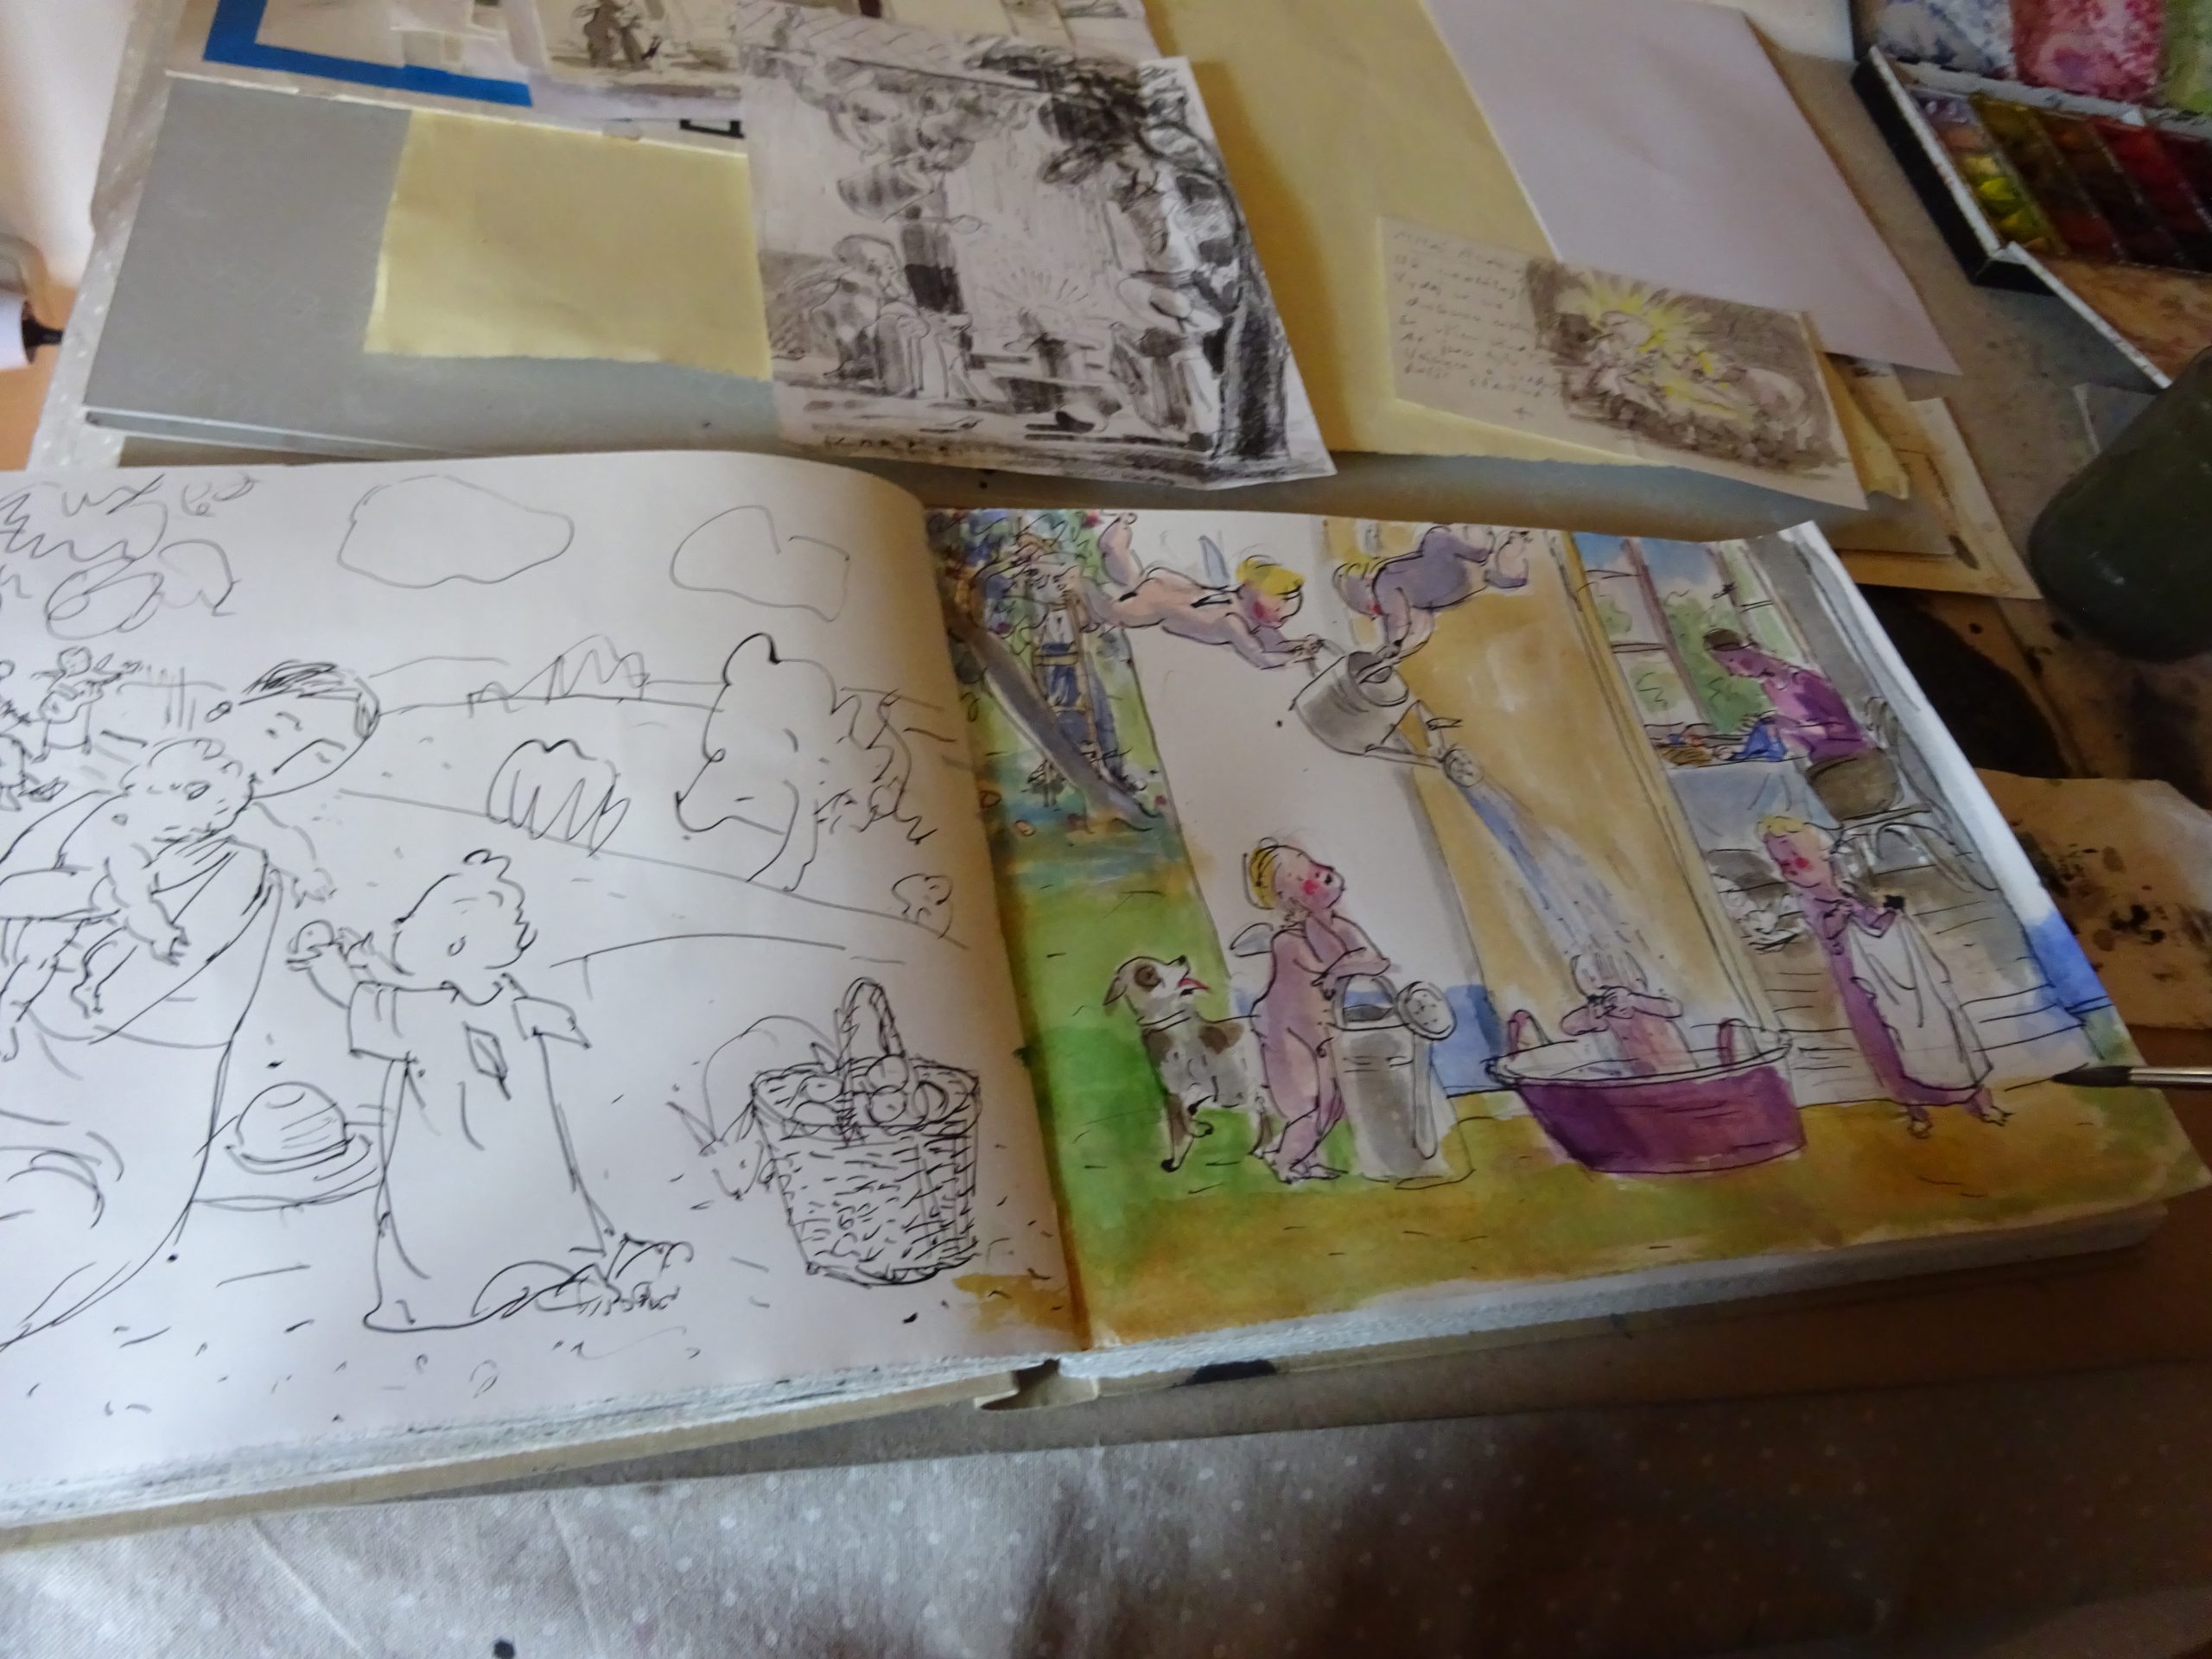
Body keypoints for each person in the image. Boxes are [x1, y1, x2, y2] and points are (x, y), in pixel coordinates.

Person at [0, 660, 380, 1351]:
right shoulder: (110, 810)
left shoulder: (248, 859)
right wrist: (94, 901)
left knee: (96, 1221)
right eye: (281, 727)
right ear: (228, 711)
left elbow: (192, 982)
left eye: (320, 756)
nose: (287, 758)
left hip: (146, 1085)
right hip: (44, 1046)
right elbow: (19, 894)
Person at [290, 852, 683, 1330]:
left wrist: (324, 958)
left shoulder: (428, 1013)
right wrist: (370, 963)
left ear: (452, 946)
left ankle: (518, 1287)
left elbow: (356, 998)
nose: (523, 926)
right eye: (515, 920)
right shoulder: (500, 990)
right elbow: (419, 985)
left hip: (452, 1162)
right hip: (520, 1148)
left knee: (460, 1230)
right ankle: (577, 1272)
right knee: (543, 1211)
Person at [0, 739, 253, 1056]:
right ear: (181, 793)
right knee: (38, 957)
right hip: (56, 894)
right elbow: (132, 894)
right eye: (195, 829)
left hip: (83, 900)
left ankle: (78, 988)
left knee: (88, 943)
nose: (190, 836)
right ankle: (9, 1013)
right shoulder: (127, 833)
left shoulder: (135, 814)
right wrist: (160, 932)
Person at [1760, 814, 2001, 1136]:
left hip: (1901, 971)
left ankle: (1979, 1099)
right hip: (1857, 982)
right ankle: (1915, 1107)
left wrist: (1883, 909)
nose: (1793, 869)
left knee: (1937, 1026)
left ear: (1823, 853)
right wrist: (1843, 916)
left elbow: (1886, 913)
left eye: (1799, 860)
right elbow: (1828, 933)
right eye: (1784, 865)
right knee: (1884, 1040)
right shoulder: (1805, 899)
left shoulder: (1853, 880)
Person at [1245, 839, 1392, 1181]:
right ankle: (1287, 1164)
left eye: (1315, 868)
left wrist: (1342, 968)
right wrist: (1341, 967)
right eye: (1306, 878)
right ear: (1291, 899)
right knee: (1305, 1103)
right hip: (1285, 1031)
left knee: (1332, 1103)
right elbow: (1297, 991)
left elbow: (1375, 960)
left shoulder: (1340, 927)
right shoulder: (1288, 941)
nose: (1323, 875)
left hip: (1323, 1030)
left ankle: (1304, 1159)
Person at [1067, 514, 1319, 671]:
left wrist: (1299, 645)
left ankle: (1116, 540)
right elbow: (1260, 656)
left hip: (1174, 589)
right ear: (1251, 590)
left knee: (1134, 580)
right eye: (1278, 609)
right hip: (1166, 604)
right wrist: (1294, 658)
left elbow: (1274, 641)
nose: (1280, 620)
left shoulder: (1242, 611)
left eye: (1285, 617)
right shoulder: (1233, 622)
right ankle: (1079, 581)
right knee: (1114, 613)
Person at [1332, 525, 1533, 660]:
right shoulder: (1384, 582)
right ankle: (1482, 552)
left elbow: (1400, 620)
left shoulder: (1385, 591)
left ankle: (1498, 570)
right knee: (1436, 538)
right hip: (1442, 567)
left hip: (1451, 586)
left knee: (1481, 575)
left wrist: (1394, 643)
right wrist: (1396, 644)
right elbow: (1403, 620)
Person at [1702, 630, 1873, 765]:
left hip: (1854, 759)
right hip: (1825, 763)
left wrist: (1795, 728)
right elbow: (1807, 743)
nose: (1732, 673)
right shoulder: (1769, 686)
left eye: (1731, 662)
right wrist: (1779, 730)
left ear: (1749, 651)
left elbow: (1850, 730)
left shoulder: (1804, 681)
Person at [1559, 947, 1695, 1076]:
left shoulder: (1646, 1003)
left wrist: (1634, 1000)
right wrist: (1593, 1014)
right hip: (1640, 1075)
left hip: (1679, 1068)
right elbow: (1569, 1026)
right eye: (1608, 998)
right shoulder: (1604, 1013)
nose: (1618, 1004)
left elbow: (1674, 1009)